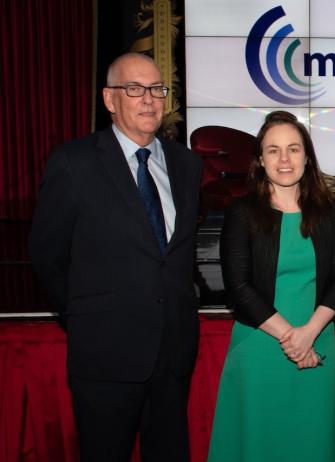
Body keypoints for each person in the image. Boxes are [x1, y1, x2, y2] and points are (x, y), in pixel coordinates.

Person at [29, 52, 202, 461]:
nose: (148, 99)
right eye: (134, 89)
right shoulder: (74, 162)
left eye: (157, 89)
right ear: (110, 99)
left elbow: (177, 256)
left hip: (173, 355)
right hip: (104, 356)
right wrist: (84, 316)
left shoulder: (186, 165)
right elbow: (46, 255)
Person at [207, 111, 335, 462]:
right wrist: (291, 338)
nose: (284, 159)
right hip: (260, 347)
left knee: (314, 444)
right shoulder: (242, 212)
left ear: (307, 157)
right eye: (273, 150)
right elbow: (239, 286)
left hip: (317, 344)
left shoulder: (328, 210)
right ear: (260, 160)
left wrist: (308, 333)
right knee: (261, 447)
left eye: (293, 149)